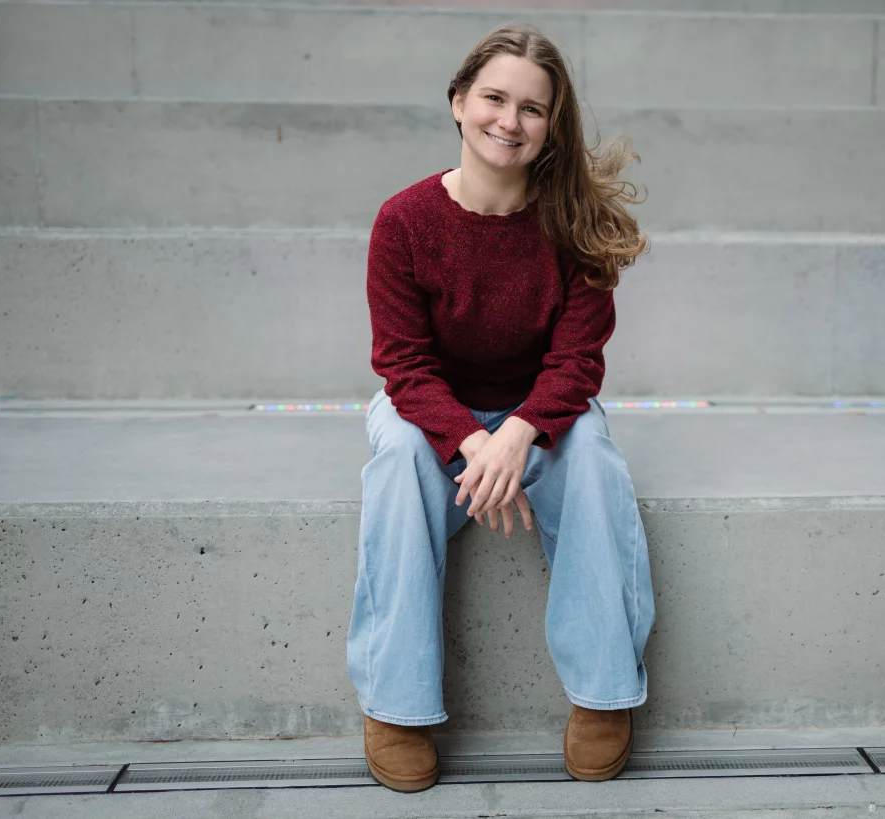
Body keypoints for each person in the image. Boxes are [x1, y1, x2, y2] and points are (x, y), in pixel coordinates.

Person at [346, 23, 656, 792]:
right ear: (458, 103)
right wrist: (470, 441)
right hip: (429, 406)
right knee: (398, 463)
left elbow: (577, 362)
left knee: (592, 459)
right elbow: (403, 366)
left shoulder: (573, 224)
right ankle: (395, 703)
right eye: (493, 98)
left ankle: (603, 693)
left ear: (553, 125)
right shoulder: (404, 221)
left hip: (538, 406)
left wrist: (518, 430)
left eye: (532, 108)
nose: (508, 121)